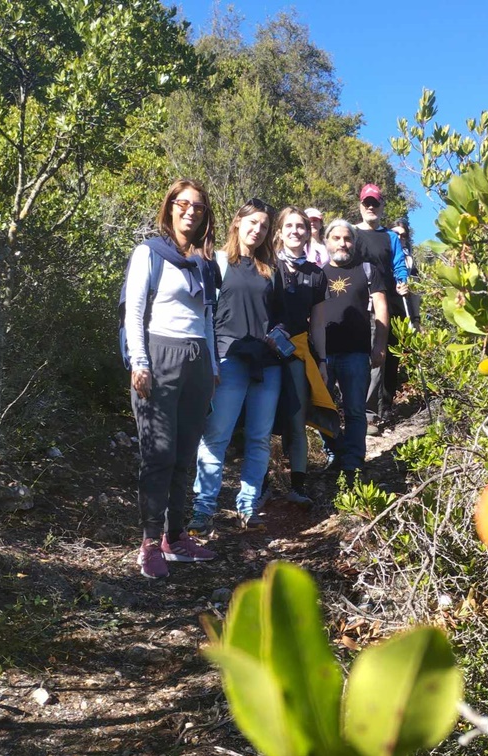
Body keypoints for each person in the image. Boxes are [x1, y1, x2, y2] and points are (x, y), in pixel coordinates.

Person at [124, 177, 219, 580]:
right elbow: (134, 311)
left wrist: (213, 368)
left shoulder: (204, 263)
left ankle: (175, 537)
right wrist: (139, 362)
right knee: (159, 453)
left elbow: (208, 318)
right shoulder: (149, 252)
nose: (190, 211)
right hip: (159, 355)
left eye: (198, 206)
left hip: (198, 359)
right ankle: (148, 542)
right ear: (170, 207)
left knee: (185, 454)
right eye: (183, 204)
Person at [190, 198, 282, 533]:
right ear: (238, 222)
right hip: (228, 359)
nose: (257, 230)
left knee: (259, 438)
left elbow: (282, 314)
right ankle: (203, 509)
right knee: (217, 436)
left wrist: (279, 332)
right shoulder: (216, 263)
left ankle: (248, 505)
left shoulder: (270, 269)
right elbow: (205, 315)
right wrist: (211, 362)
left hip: (266, 364)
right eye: (252, 223)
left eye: (263, 226)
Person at [270, 206, 335, 507]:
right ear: (280, 232)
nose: (296, 231)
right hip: (264, 353)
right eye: (290, 226)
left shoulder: (316, 274)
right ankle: (258, 486)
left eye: (302, 227)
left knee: (296, 421)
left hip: (298, 352)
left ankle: (297, 485)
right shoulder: (267, 265)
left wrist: (321, 361)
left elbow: (318, 323)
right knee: (260, 419)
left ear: (309, 233)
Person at [322, 219, 389, 480]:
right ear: (326, 242)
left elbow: (382, 308)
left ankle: (353, 461)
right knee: (323, 408)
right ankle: (334, 452)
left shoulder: (367, 270)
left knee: (355, 409)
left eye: (347, 238)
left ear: (354, 242)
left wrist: (379, 345)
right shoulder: (318, 273)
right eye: (336, 238)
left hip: (356, 353)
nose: (342, 243)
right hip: (324, 354)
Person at [355, 183, 409, 433]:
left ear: (382, 206)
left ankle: (373, 412)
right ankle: (353, 408)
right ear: (360, 205)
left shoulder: (390, 237)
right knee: (355, 355)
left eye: (375, 203)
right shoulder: (352, 233)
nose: (371, 207)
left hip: (382, 302)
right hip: (354, 301)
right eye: (367, 202)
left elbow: (399, 265)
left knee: (381, 355)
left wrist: (403, 282)